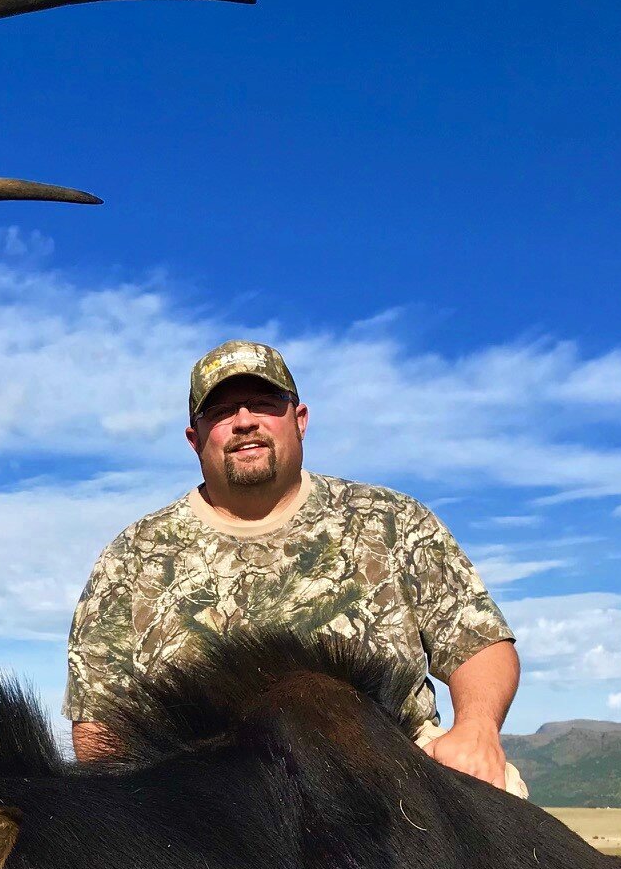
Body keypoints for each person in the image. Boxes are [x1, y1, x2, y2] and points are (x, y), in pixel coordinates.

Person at [65, 339, 525, 793]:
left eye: (264, 403)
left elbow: (479, 644)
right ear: (195, 438)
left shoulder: (392, 520)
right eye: (221, 412)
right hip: (206, 802)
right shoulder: (131, 556)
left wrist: (477, 730)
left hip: (394, 774)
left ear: (299, 420)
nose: (244, 422)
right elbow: (99, 723)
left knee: (500, 798)